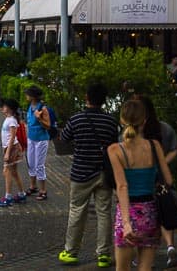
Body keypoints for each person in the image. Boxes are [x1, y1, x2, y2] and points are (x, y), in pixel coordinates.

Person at [58, 83, 119, 268]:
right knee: (104, 212)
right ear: (104, 100)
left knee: (77, 210)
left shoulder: (77, 119)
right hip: (103, 172)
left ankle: (70, 252)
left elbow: (64, 139)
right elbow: (114, 145)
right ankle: (104, 254)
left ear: (86, 97)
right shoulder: (110, 121)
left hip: (80, 172)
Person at [108, 99, 173, 271]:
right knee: (145, 268)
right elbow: (169, 179)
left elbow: (122, 186)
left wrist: (127, 223)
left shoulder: (115, 150)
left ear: (122, 120)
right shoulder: (154, 145)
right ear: (144, 120)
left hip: (127, 214)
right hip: (151, 213)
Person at [136, 95, 177, 268]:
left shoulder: (133, 132)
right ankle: (170, 246)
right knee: (164, 210)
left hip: (141, 179)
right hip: (161, 178)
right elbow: (176, 149)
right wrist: (163, 163)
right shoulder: (164, 127)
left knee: (146, 215)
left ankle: (146, 257)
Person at [0, 98, 27, 207]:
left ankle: (8, 196)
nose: (2, 108)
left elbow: (12, 137)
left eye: (4, 106)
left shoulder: (11, 121)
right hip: (11, 147)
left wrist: (7, 152)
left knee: (7, 172)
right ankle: (21, 193)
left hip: (11, 148)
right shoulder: (10, 119)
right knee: (13, 172)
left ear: (9, 108)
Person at [24, 85, 50, 200]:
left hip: (41, 139)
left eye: (28, 94)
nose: (26, 96)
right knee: (31, 163)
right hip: (31, 138)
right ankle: (33, 186)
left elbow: (48, 125)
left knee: (39, 165)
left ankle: (43, 190)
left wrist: (39, 119)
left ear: (33, 96)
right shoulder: (30, 106)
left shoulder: (42, 108)